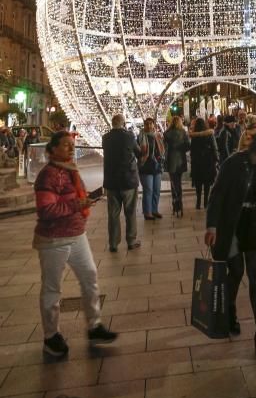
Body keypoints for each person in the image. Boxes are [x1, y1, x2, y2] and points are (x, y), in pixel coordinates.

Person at [33, 131, 117, 358]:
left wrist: (85, 200)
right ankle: (51, 336)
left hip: (76, 234)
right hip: (54, 239)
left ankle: (94, 326)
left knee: (89, 275)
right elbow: (46, 210)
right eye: (66, 146)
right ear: (52, 150)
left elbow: (74, 199)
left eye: (73, 145)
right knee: (52, 288)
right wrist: (76, 204)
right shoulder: (47, 175)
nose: (71, 149)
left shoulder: (71, 171)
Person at [205, 128, 256, 360]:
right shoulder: (234, 163)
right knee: (236, 271)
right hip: (230, 226)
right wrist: (212, 226)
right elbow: (217, 194)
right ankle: (229, 311)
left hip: (253, 226)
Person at [102, 114, 141, 252]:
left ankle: (113, 243)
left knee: (113, 214)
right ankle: (131, 240)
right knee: (130, 212)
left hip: (112, 181)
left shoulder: (105, 138)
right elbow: (138, 152)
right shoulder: (129, 136)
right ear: (123, 123)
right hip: (128, 179)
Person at [190, 117, 219, 209]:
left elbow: (191, 149)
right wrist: (216, 158)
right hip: (208, 160)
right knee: (207, 182)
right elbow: (214, 147)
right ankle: (206, 202)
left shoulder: (194, 136)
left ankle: (198, 202)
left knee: (198, 182)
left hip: (197, 161)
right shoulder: (209, 134)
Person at [137, 117, 163, 221]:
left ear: (154, 125)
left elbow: (162, 149)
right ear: (144, 125)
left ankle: (154, 210)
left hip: (157, 166)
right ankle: (147, 212)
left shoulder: (157, 136)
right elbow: (138, 152)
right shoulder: (140, 137)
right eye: (146, 124)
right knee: (148, 190)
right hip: (145, 166)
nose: (149, 126)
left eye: (150, 124)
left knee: (156, 190)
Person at [164, 115, 190, 216]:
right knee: (178, 183)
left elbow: (164, 147)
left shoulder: (166, 133)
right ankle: (180, 203)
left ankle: (175, 204)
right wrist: (181, 149)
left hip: (170, 160)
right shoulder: (183, 133)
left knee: (173, 184)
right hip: (180, 161)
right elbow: (188, 146)